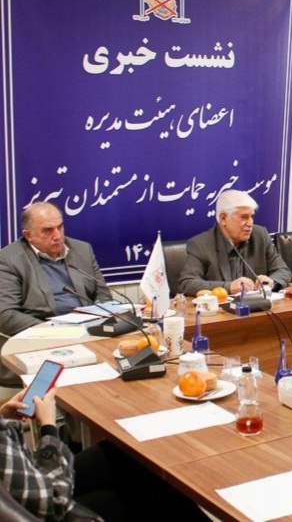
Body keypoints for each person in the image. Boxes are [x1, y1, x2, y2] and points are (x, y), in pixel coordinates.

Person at [0, 388, 209, 521]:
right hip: (43, 505)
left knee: (124, 457)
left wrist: (4, 419)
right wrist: (48, 427)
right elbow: (54, 501)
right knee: (135, 491)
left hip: (21, 486)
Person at [0, 202, 111, 385]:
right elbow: (6, 314)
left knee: (113, 375)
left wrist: (95, 322)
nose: (57, 236)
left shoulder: (82, 249)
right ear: (28, 235)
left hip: (87, 334)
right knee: (63, 385)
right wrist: (54, 332)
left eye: (60, 227)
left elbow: (103, 295)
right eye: (47, 230)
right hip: (40, 341)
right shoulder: (9, 259)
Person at [178, 190, 291, 296]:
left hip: (258, 306)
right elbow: (187, 283)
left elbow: (283, 270)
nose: (250, 224)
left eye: (252, 217)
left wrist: (272, 282)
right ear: (223, 218)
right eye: (243, 217)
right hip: (221, 309)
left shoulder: (260, 235)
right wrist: (228, 287)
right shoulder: (201, 244)